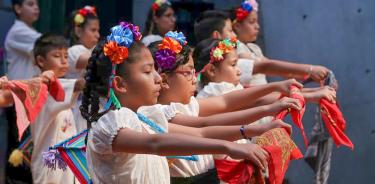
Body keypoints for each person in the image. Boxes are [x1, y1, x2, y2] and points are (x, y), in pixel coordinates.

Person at [82, 22, 286, 184]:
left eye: (155, 70)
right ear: (120, 84)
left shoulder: (146, 119)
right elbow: (155, 144)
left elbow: (202, 131)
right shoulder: (108, 126)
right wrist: (229, 147)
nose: (157, 78)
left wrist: (256, 128)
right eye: (147, 72)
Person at [30, 34, 85, 184]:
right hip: (49, 160)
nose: (64, 61)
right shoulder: (43, 87)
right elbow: (80, 84)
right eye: (56, 56)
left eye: (66, 56)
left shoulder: (59, 86)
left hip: (62, 160)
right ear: (41, 61)